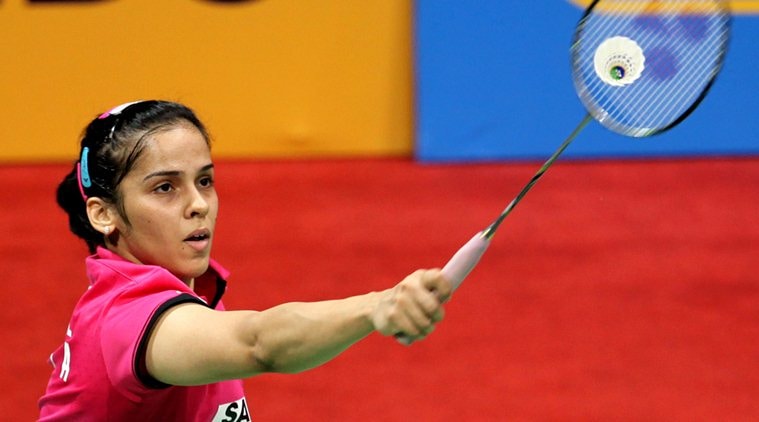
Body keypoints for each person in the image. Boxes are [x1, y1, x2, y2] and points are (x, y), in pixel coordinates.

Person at [38, 100, 452, 420]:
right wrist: (375, 306)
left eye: (204, 181)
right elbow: (259, 343)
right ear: (103, 214)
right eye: (165, 188)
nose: (199, 204)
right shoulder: (127, 318)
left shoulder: (178, 288)